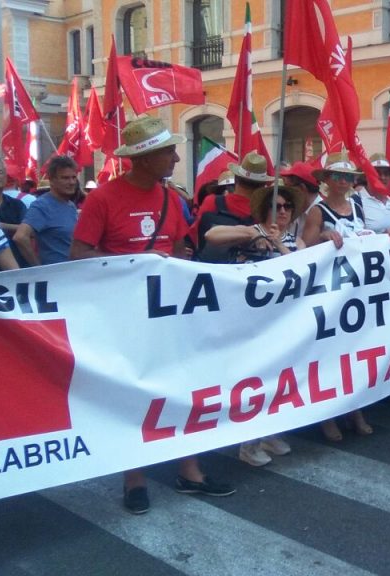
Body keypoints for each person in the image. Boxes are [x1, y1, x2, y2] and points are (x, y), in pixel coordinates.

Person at [70, 115, 235, 514]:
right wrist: (135, 264)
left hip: (167, 314)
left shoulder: (170, 198)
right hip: (124, 318)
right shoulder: (102, 198)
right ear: (143, 159)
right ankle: (134, 478)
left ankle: (190, 470)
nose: (176, 158)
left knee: (182, 388)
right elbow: (78, 256)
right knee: (132, 395)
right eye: (167, 152)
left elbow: (179, 249)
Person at [204, 181, 303, 465]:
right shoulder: (252, 232)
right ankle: (248, 443)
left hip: (284, 321)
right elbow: (212, 234)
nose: (283, 211)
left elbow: (301, 265)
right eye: (276, 206)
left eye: (287, 206)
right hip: (253, 321)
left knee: (281, 375)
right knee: (256, 376)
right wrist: (251, 233)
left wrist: (279, 245)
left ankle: (269, 432)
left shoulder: (294, 239)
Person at [302, 152, 379, 440]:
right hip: (330, 291)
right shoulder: (318, 212)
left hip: (356, 290)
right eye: (339, 176)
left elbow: (369, 236)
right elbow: (303, 249)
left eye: (348, 177)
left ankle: (354, 408)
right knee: (330, 353)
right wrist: (321, 238)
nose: (344, 181)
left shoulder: (357, 206)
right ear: (327, 180)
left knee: (353, 351)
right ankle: (328, 415)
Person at [190, 152, 272, 259]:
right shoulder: (264, 212)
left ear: (236, 179)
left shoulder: (212, 201)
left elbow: (194, 235)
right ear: (262, 186)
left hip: (210, 267)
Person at [12, 155, 79, 266]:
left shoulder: (70, 205)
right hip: (55, 276)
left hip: (73, 274)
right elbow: (20, 237)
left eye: (73, 177)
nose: (71, 182)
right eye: (65, 178)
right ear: (52, 180)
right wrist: (39, 268)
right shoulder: (42, 205)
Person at [361, 154, 390, 233]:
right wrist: (381, 235)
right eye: (377, 173)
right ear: (367, 176)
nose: (382, 177)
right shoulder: (356, 201)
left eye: (386, 174)